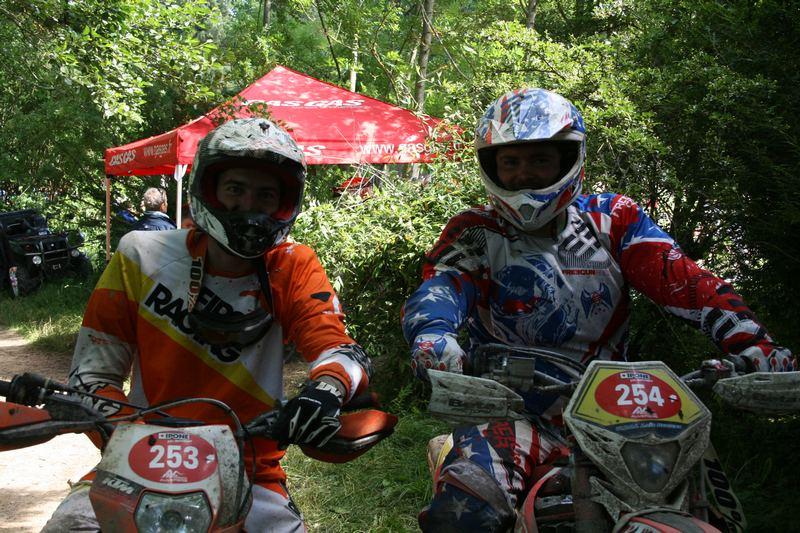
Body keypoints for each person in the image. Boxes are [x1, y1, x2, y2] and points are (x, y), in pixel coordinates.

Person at [401, 88, 796, 531]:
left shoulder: (612, 219)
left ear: (569, 160)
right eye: (510, 162)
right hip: (514, 411)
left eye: (539, 160)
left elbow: (686, 282)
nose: (523, 174)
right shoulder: (476, 231)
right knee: (467, 511)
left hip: (623, 415)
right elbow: (440, 288)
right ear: (492, 166)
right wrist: (433, 337)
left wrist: (755, 344)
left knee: (712, 505)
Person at [42, 118, 373, 531]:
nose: (248, 205)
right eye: (235, 188)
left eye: (266, 194)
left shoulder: (293, 265)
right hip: (139, 455)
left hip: (249, 466)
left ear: (284, 203)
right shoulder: (140, 255)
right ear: (209, 189)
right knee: (67, 527)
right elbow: (92, 374)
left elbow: (335, 344)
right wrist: (128, 436)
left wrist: (325, 391)